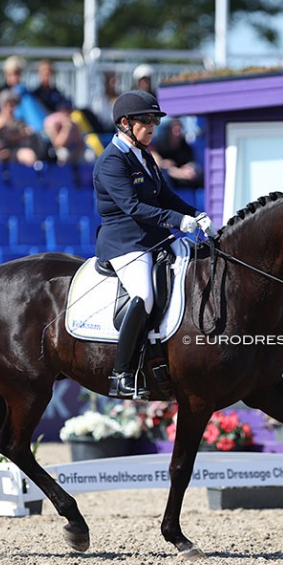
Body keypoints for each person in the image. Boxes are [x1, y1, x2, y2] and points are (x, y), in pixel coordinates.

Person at [93, 90, 217, 399]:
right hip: (126, 242)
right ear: (125, 123)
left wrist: (195, 213)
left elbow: (166, 197)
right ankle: (120, 373)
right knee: (144, 294)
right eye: (146, 121)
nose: (152, 126)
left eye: (155, 120)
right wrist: (177, 221)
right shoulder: (111, 161)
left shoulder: (144, 155)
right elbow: (133, 207)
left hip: (154, 237)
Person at [0, 89, 42, 166]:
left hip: (15, 150)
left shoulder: (17, 121)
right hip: (2, 151)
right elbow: (2, 139)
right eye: (9, 104)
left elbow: (28, 132)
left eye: (13, 105)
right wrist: (22, 135)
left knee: (29, 154)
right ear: (3, 105)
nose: (11, 108)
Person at [152, 118, 204, 189]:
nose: (178, 133)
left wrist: (189, 168)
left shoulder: (185, 146)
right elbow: (156, 160)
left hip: (183, 176)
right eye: (175, 130)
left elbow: (190, 161)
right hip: (167, 175)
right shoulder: (160, 144)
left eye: (180, 129)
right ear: (169, 131)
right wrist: (165, 164)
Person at [43, 99, 85, 165]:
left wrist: (76, 152)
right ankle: (60, 175)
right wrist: (66, 128)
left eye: (69, 109)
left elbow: (80, 144)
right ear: (59, 108)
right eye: (65, 109)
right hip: (51, 151)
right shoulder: (52, 121)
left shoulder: (73, 123)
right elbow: (57, 144)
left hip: (70, 149)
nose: (67, 112)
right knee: (64, 154)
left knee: (88, 156)